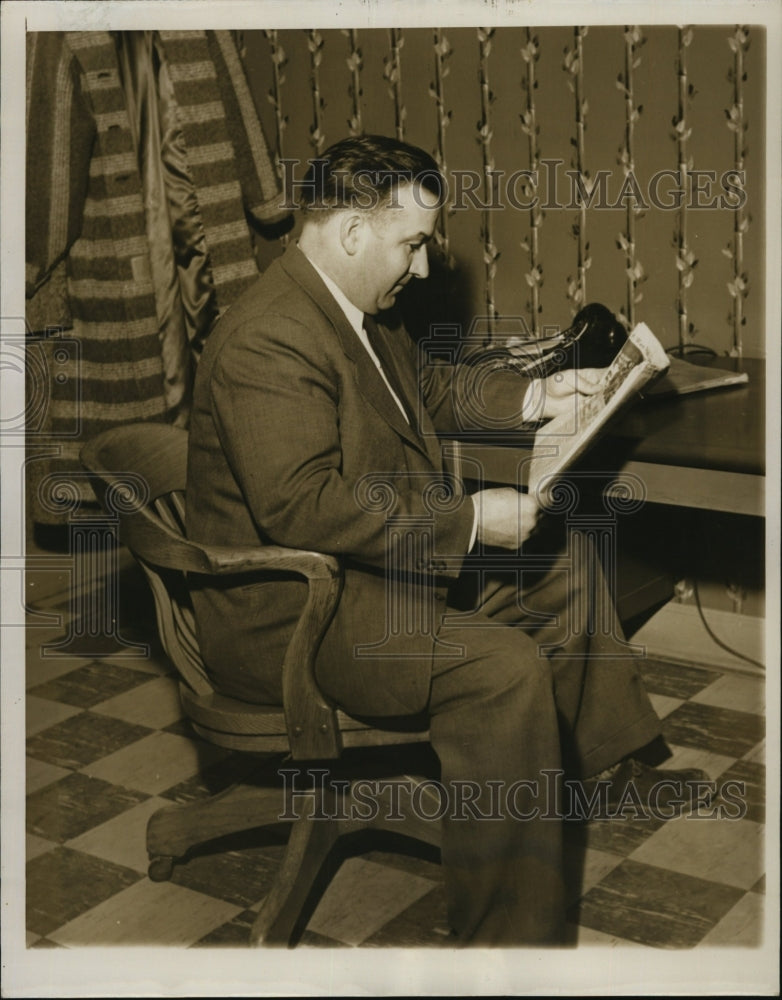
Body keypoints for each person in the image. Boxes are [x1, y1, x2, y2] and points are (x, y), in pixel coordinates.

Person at [186, 134, 706, 946]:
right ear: (353, 233)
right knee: (504, 669)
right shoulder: (269, 338)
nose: (423, 268)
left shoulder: (352, 308)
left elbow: (429, 387)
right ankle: (507, 945)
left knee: (559, 562)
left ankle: (576, 774)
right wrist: (468, 522)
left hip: (359, 576)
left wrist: (542, 391)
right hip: (291, 612)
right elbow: (302, 506)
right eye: (414, 244)